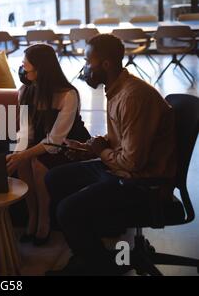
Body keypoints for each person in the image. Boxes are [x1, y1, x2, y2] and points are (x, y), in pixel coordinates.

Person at [44, 34, 177, 276]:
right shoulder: (117, 89)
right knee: (55, 178)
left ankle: (99, 267)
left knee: (67, 210)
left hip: (141, 182)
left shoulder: (133, 96)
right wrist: (87, 149)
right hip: (122, 168)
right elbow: (123, 140)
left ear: (105, 64)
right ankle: (90, 253)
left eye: (87, 61)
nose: (84, 68)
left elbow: (133, 161)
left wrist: (100, 151)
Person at [6, 44, 90, 246]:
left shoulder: (68, 94)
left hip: (69, 145)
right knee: (24, 162)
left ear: (41, 70)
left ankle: (45, 218)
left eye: (26, 67)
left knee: (36, 163)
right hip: (42, 141)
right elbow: (26, 133)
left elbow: (55, 141)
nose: (22, 71)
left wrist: (23, 156)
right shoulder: (25, 91)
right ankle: (32, 215)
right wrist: (16, 155)